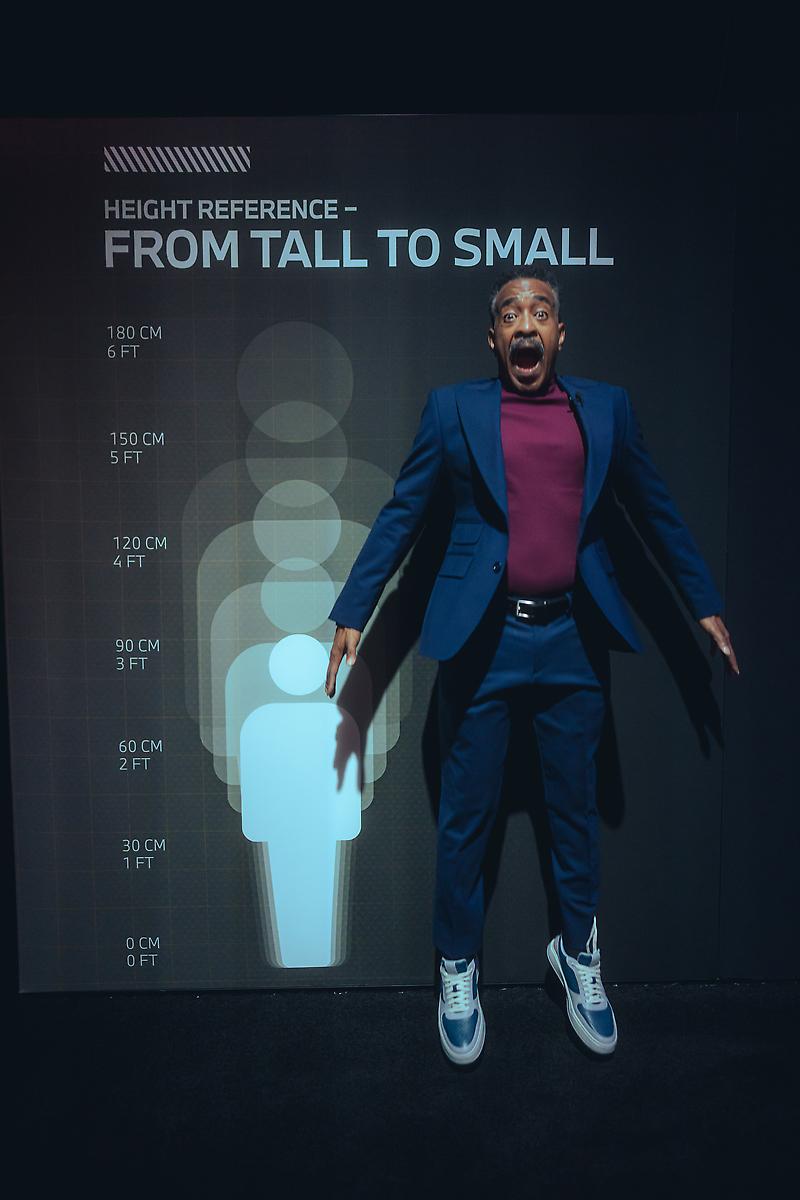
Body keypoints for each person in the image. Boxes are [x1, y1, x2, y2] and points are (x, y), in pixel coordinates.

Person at [324, 267, 738, 1066]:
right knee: (466, 818)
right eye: (511, 312)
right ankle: (457, 967)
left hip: (573, 641)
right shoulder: (454, 410)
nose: (526, 323)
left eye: (540, 312)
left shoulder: (606, 408)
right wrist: (353, 610)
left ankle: (579, 955)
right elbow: (403, 514)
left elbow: (653, 509)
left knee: (574, 811)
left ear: (558, 334)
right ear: (494, 337)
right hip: (484, 642)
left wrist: (702, 600)